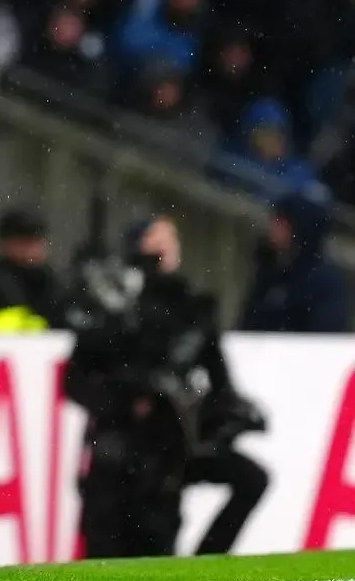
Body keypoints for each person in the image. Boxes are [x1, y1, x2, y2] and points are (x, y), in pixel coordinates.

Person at [65, 216, 268, 558]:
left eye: (170, 239)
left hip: (167, 454)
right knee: (107, 558)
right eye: (155, 240)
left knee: (246, 482)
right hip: (117, 453)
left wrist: (221, 419)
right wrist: (126, 398)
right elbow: (76, 380)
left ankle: (203, 572)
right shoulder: (113, 308)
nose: (164, 248)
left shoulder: (190, 309)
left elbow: (219, 381)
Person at [240, 190, 350, 333]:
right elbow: (248, 325)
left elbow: (324, 336)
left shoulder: (325, 281)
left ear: (299, 228)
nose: (273, 229)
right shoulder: (272, 269)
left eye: (281, 223)